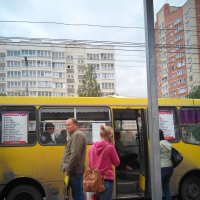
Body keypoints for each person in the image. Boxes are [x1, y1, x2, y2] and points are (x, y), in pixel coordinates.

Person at [88, 125, 120, 200]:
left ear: (100, 135)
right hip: (106, 180)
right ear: (110, 136)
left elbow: (90, 165)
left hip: (94, 180)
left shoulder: (92, 147)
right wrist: (113, 146)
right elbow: (117, 163)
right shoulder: (110, 147)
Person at [61, 118, 86, 200]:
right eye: (66, 125)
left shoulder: (77, 135)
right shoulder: (73, 134)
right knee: (75, 194)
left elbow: (75, 154)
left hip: (74, 171)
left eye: (69, 125)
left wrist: (68, 169)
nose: (67, 127)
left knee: (78, 195)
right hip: (72, 170)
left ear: (75, 125)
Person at [159, 129, 173, 200]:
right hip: (170, 168)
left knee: (157, 188)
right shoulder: (168, 143)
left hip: (163, 168)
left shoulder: (159, 145)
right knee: (166, 187)